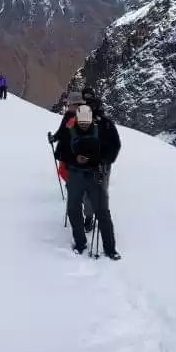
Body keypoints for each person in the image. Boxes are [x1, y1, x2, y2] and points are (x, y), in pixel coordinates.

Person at [51, 104, 121, 259]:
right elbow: (60, 154)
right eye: (81, 122)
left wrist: (97, 161)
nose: (83, 125)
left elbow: (109, 152)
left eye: (86, 123)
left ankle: (110, 248)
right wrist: (74, 158)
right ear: (77, 119)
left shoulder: (99, 131)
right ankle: (80, 242)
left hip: (94, 175)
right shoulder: (69, 131)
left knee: (102, 212)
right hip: (75, 175)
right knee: (73, 209)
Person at [53, 92, 96, 232]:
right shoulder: (69, 116)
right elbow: (61, 132)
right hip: (69, 158)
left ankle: (88, 217)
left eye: (71, 104)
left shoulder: (84, 117)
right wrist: (54, 138)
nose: (69, 106)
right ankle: (83, 215)